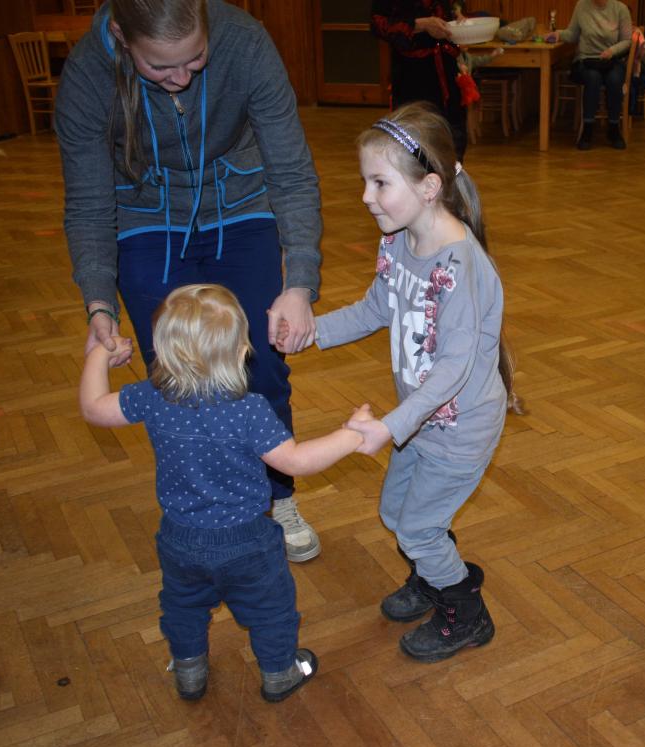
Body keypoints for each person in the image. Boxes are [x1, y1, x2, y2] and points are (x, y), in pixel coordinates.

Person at [55, 0, 326, 562]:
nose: (181, 78)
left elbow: (291, 170)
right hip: (145, 217)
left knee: (261, 365)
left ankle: (275, 498)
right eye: (160, 66)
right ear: (121, 37)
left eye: (196, 58)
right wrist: (99, 303)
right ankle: (200, 509)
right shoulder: (86, 74)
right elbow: (88, 204)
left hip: (242, 206)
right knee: (176, 378)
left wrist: (299, 282)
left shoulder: (245, 42)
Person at [80, 284, 371, 701]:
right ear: (240, 353)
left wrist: (99, 355)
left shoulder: (152, 396)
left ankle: (189, 670)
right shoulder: (249, 409)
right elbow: (296, 461)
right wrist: (350, 436)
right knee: (271, 609)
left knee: (183, 607)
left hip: (179, 538)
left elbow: (93, 407)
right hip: (247, 541)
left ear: (161, 351)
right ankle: (279, 673)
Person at [302, 103, 516, 663]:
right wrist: (310, 333)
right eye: (365, 181)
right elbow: (377, 307)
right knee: (397, 514)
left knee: (418, 528)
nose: (365, 196)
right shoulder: (398, 241)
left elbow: (453, 368)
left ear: (429, 186)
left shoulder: (459, 267)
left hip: (460, 427)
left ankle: (465, 613)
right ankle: (435, 573)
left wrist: (392, 425)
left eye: (379, 183)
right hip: (420, 422)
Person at [371, 1, 470, 160]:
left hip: (447, 74)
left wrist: (457, 19)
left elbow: (450, 8)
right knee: (415, 144)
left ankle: (450, 174)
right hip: (412, 78)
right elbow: (378, 24)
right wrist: (422, 24)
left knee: (453, 142)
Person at [547, 0, 633, 150]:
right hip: (586, 59)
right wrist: (558, 34)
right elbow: (573, 34)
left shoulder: (620, 8)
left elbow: (627, 40)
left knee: (614, 79)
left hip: (612, 59)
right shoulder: (581, 5)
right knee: (593, 77)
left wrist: (612, 51)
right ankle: (587, 129)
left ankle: (613, 128)